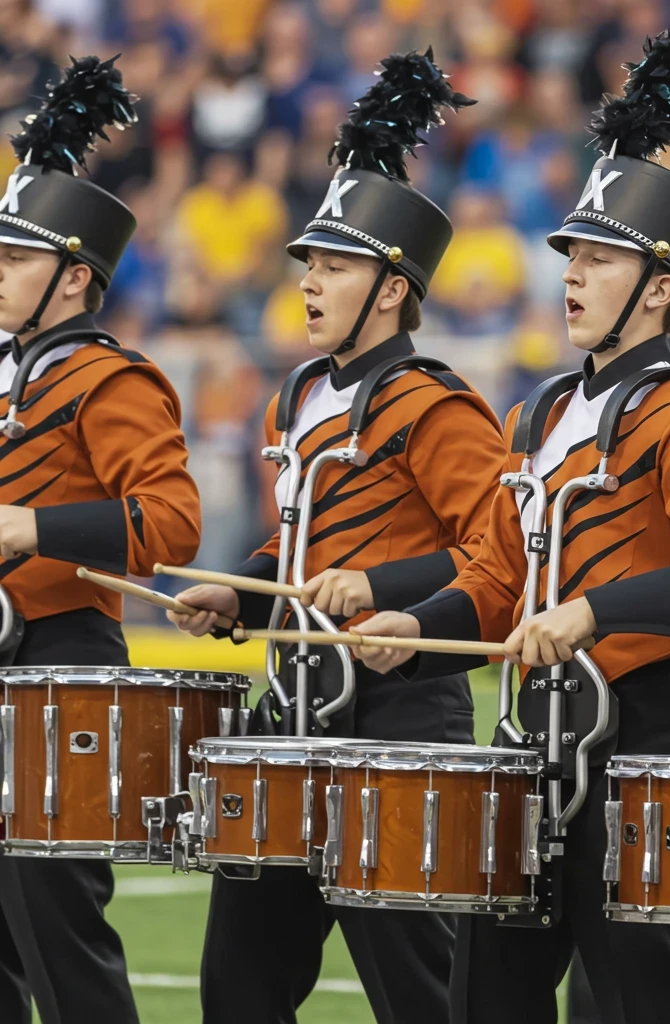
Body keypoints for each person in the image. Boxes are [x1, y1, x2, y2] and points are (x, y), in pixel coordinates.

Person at [354, 30, 670, 1024]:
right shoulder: (538, 414)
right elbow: (498, 576)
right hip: (527, 741)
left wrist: (594, 611)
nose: (573, 275)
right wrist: (416, 636)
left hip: (644, 738)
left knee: (644, 1004)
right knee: (483, 1000)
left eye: (600, 259)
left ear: (663, 288)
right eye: (572, 255)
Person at [167, 49, 507, 1024]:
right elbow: (298, 544)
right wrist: (241, 586)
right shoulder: (297, 396)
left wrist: (381, 585)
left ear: (392, 286)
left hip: (399, 720)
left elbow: (500, 553)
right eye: (306, 263)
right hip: (289, 717)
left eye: (333, 265)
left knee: (419, 986)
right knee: (237, 983)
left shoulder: (436, 405)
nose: (309, 281)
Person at [0, 56, 201, 1024]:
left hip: (62, 664)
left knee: (55, 930)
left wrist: (27, 525)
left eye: (15, 259)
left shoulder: (112, 380)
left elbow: (169, 524)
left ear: (74, 276)